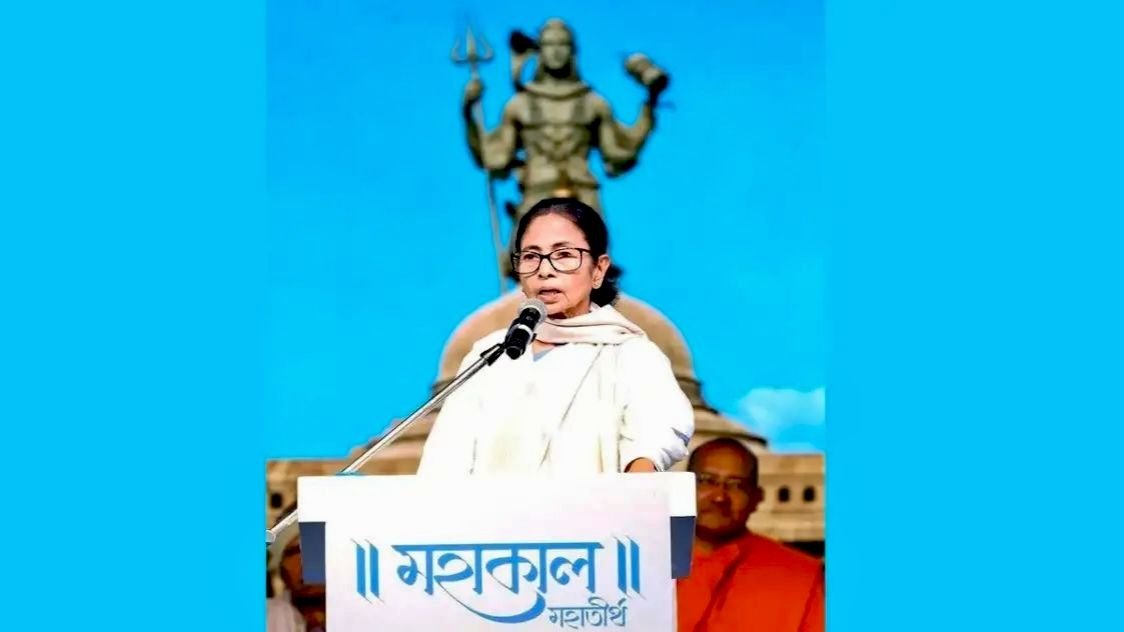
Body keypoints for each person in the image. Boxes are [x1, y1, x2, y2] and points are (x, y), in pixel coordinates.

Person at [418, 197, 694, 475]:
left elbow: (656, 432)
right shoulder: (490, 354)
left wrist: (639, 477)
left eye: (563, 255)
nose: (545, 270)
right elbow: (443, 461)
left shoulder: (631, 354)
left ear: (598, 269)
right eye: (531, 256)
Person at [677, 438, 825, 632]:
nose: (719, 497)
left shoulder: (801, 576)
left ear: (757, 498)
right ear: (681, 488)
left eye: (736, 485)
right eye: (707, 481)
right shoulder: (646, 563)